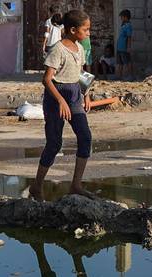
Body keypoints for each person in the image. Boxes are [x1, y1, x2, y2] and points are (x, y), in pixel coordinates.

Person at [30, 10, 95, 200]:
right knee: (54, 144)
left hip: (74, 95)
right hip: (55, 98)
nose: (88, 33)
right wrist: (60, 101)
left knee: (85, 137)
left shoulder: (80, 49)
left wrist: (87, 94)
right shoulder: (57, 49)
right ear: (73, 30)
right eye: (86, 29)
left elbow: (81, 74)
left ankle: (76, 185)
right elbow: (46, 79)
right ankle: (37, 186)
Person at [116, 9, 134, 79]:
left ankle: (129, 76)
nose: (121, 18)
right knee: (120, 63)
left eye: (122, 17)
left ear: (125, 17)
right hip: (119, 47)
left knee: (127, 62)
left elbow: (129, 37)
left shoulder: (128, 25)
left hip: (124, 47)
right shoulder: (123, 25)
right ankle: (119, 76)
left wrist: (128, 47)